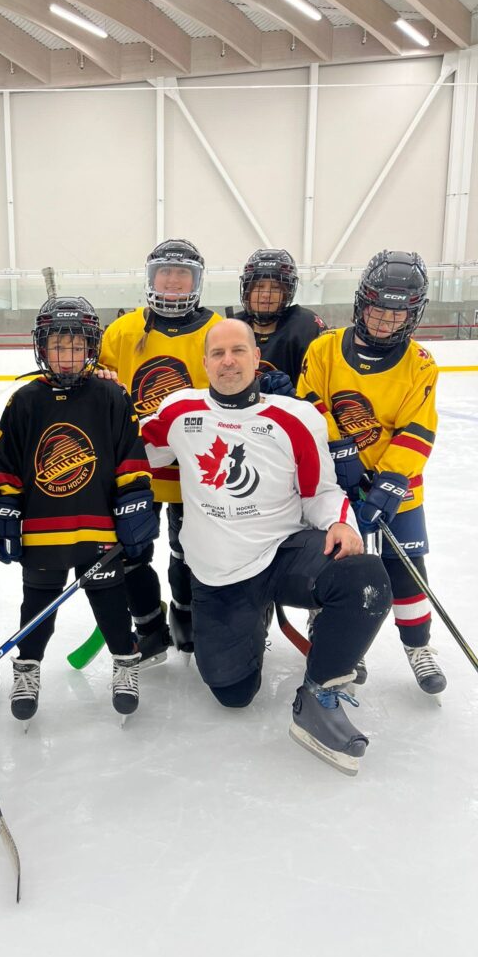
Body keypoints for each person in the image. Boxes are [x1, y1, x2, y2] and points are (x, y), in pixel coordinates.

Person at [141, 318, 392, 775]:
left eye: (238, 351)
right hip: (220, 574)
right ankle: (252, 616)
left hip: (283, 553)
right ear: (205, 364)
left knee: (364, 578)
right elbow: (131, 451)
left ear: (257, 358)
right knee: (232, 694)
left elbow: (321, 491)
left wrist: (341, 524)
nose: (228, 361)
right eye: (217, 354)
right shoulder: (179, 412)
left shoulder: (295, 417)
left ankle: (319, 696)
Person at [0, 296, 158, 721]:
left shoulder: (110, 397)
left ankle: (124, 661)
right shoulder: (24, 400)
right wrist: (5, 507)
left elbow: (130, 457)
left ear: (91, 349)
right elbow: (6, 463)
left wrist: (135, 502)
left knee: (111, 603)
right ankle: (27, 669)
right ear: (42, 349)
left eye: (76, 346)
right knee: (36, 605)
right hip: (43, 529)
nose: (67, 356)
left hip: (98, 528)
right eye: (58, 346)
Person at [297, 250, 444, 697]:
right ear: (363, 304)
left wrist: (392, 479)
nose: (384, 323)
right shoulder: (324, 348)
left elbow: (418, 427)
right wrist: (340, 451)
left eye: (396, 315)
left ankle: (418, 647)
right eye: (378, 311)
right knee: (337, 566)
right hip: (333, 485)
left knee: (406, 570)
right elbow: (309, 405)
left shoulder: (420, 363)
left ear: (412, 314)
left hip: (396, 490)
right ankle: (342, 643)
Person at [99, 239, 224, 658]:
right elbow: (103, 393)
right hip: (139, 467)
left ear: (197, 281)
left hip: (197, 469)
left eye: (182, 274)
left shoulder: (215, 332)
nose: (172, 282)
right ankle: (148, 622)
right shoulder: (122, 331)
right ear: (151, 279)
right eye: (165, 274)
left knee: (189, 550)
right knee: (131, 548)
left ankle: (185, 615)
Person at [235, 248, 325, 394]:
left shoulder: (306, 326)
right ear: (247, 290)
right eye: (259, 286)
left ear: (287, 293)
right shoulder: (233, 327)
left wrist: (298, 398)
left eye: (276, 288)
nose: (266, 295)